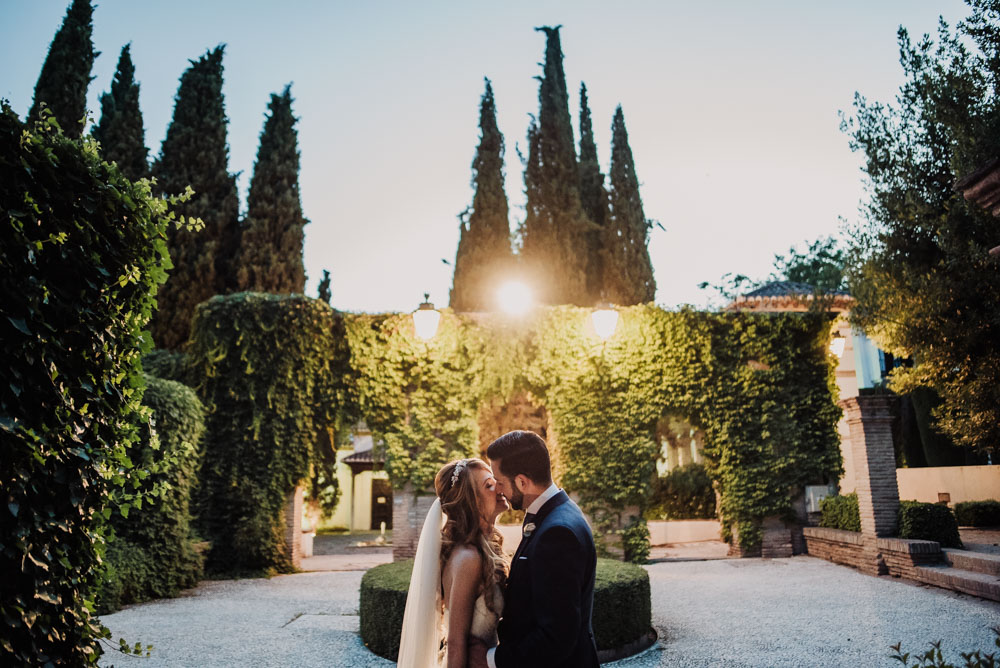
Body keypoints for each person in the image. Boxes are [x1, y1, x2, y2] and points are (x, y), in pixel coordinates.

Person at [467, 429, 599, 668]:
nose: (498, 489)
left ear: (522, 482)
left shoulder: (557, 533)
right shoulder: (557, 512)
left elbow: (557, 638)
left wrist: (490, 660)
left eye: (500, 481)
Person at [397, 458, 509, 668]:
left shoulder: (482, 550)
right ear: (472, 501)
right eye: (489, 484)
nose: (499, 486)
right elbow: (456, 643)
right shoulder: (468, 558)